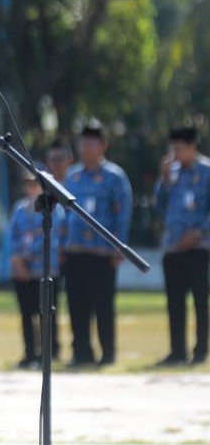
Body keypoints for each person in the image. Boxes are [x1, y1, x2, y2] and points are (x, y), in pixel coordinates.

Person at [61, 122, 132, 367]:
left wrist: (120, 246)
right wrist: (61, 244)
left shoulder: (114, 176)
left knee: (103, 304)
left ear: (102, 146)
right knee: (76, 304)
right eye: (83, 144)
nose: (86, 148)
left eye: (91, 144)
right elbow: (63, 214)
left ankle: (107, 353)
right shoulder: (73, 176)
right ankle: (81, 352)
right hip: (75, 249)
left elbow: (123, 213)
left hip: (102, 251)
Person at [153, 124, 210, 366]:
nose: (175, 152)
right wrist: (164, 178)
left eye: (180, 147)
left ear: (193, 146)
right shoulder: (172, 172)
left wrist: (197, 233)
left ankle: (200, 350)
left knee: (199, 300)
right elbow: (158, 205)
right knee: (174, 300)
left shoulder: (207, 171)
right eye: (173, 147)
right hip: (173, 246)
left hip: (199, 246)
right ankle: (177, 350)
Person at [9, 170, 63, 369]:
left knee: (46, 313)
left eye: (34, 184)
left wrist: (26, 255)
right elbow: (12, 236)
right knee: (26, 314)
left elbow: (50, 236)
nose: (30, 188)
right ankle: (29, 352)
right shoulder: (19, 208)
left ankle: (49, 352)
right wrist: (17, 260)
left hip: (44, 269)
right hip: (23, 272)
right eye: (27, 184)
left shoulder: (53, 208)